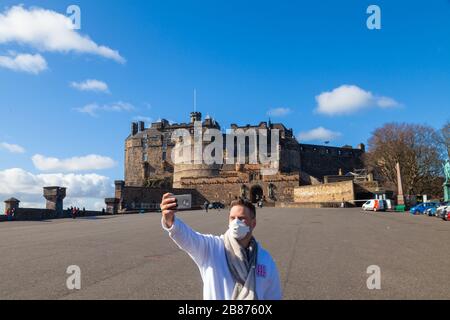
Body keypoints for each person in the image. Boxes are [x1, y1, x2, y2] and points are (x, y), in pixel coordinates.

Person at [160, 193, 282, 300]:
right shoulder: (212, 248)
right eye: (232, 218)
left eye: (242, 218)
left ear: (253, 223)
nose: (236, 222)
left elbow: (273, 296)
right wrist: (170, 220)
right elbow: (188, 238)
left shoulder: (265, 259)